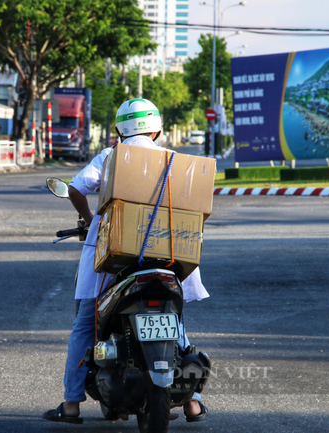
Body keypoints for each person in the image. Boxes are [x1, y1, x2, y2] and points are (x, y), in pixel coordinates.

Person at [43, 99, 209, 424]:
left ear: (119, 129)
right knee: (174, 318)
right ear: (157, 129)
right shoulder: (175, 160)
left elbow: (76, 189)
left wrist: (91, 219)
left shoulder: (110, 156)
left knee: (85, 326)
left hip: (116, 258)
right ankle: (194, 403)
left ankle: (72, 404)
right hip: (169, 254)